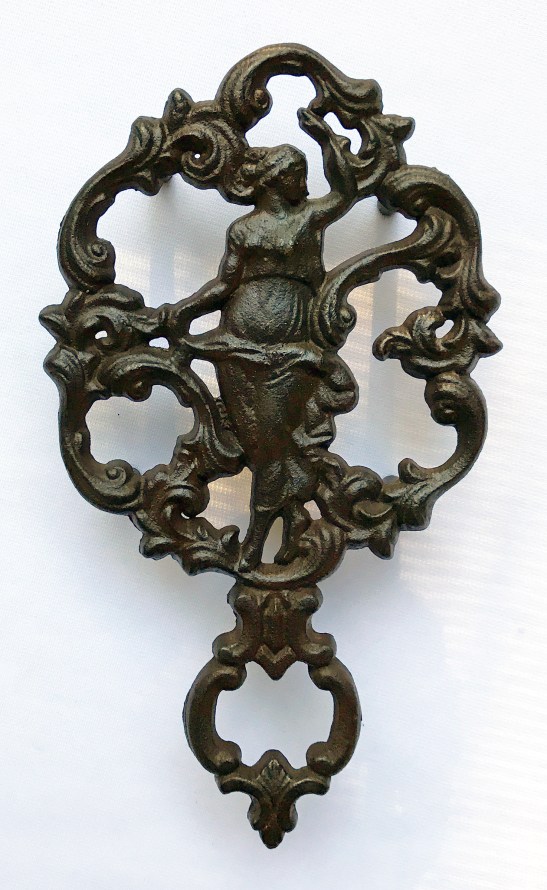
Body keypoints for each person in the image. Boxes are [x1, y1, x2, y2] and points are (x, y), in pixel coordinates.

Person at [171, 108, 359, 570]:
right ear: (277, 179)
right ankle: (293, 518)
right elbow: (224, 285)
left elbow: (346, 191)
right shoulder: (242, 229)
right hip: (237, 344)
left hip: (291, 348)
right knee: (260, 444)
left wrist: (325, 136)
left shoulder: (309, 218)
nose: (305, 186)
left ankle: (255, 544)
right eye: (298, 176)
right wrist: (185, 310)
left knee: (273, 442)